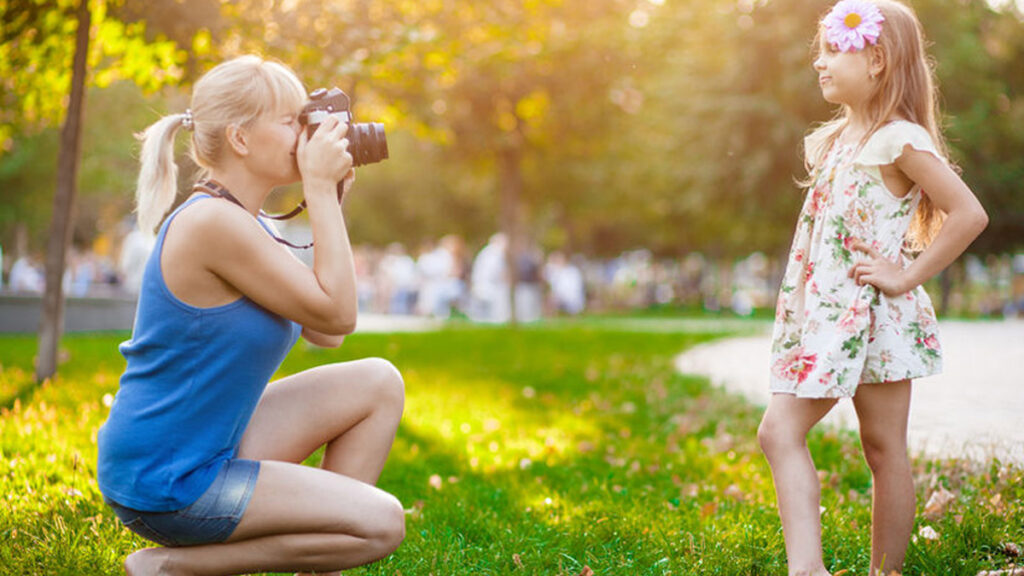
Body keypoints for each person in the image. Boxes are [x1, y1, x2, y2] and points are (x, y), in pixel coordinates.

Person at [95, 55, 406, 576]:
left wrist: (328, 198)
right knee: (382, 523)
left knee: (378, 382)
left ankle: (325, 551)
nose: (304, 133)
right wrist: (320, 193)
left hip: (203, 444)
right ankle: (171, 567)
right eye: (290, 121)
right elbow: (341, 315)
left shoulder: (243, 220)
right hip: (172, 478)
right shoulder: (211, 224)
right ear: (240, 139)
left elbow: (325, 331)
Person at [756, 2, 989, 575]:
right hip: (832, 316)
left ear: (878, 60)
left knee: (870, 447)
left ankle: (862, 572)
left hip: (871, 311)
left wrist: (906, 274)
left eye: (834, 50)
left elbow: (968, 213)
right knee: (799, 435)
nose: (820, 62)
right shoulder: (837, 139)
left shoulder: (898, 139)